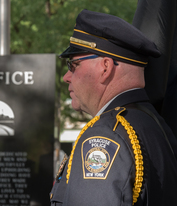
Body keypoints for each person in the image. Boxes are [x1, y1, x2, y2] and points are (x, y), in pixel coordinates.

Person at [50, 9, 177, 206]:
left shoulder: (104, 137)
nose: (67, 77)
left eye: (73, 65)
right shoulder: (154, 124)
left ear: (105, 68)